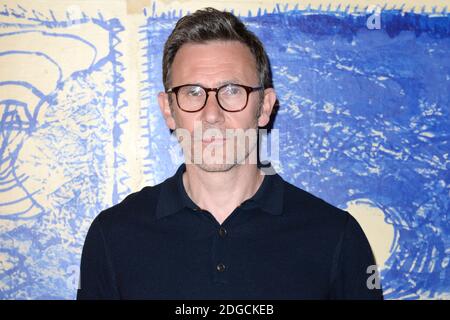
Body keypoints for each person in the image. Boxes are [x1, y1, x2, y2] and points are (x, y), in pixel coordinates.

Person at [77, 7, 383, 300]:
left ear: (264, 107)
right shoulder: (113, 237)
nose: (212, 114)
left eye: (233, 90)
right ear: (168, 111)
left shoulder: (335, 237)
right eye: (193, 92)